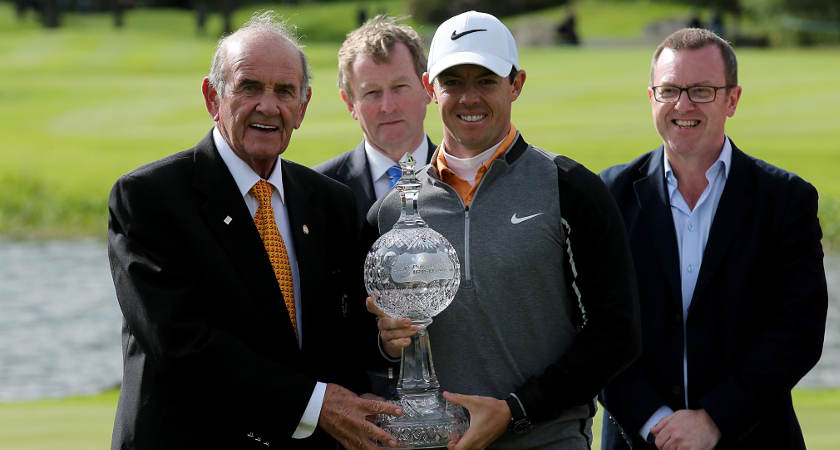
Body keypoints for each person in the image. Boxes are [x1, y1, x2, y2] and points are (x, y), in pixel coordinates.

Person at [107, 11, 401, 450]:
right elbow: (182, 345)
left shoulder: (330, 202)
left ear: (302, 107)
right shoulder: (149, 199)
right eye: (249, 87)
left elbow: (342, 337)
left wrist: (386, 342)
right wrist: (315, 404)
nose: (268, 106)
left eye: (285, 91)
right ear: (212, 97)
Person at [367, 11, 642, 449]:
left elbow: (617, 335)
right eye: (453, 81)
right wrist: (385, 346)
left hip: (547, 441)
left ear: (517, 84)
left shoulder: (571, 189)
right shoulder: (390, 213)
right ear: (428, 88)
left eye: (486, 80)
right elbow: (368, 351)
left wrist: (517, 409)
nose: (468, 97)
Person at [599, 28, 828, 450]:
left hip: (755, 438)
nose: (683, 105)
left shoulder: (785, 200)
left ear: (732, 100)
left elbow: (798, 331)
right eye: (669, 90)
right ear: (651, 98)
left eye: (701, 90)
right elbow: (592, 330)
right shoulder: (606, 196)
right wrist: (655, 422)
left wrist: (715, 418)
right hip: (638, 440)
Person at [315, 15, 435, 226]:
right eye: (372, 92)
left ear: (427, 88)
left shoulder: (463, 179)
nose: (388, 107)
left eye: (399, 87)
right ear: (350, 103)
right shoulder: (317, 190)